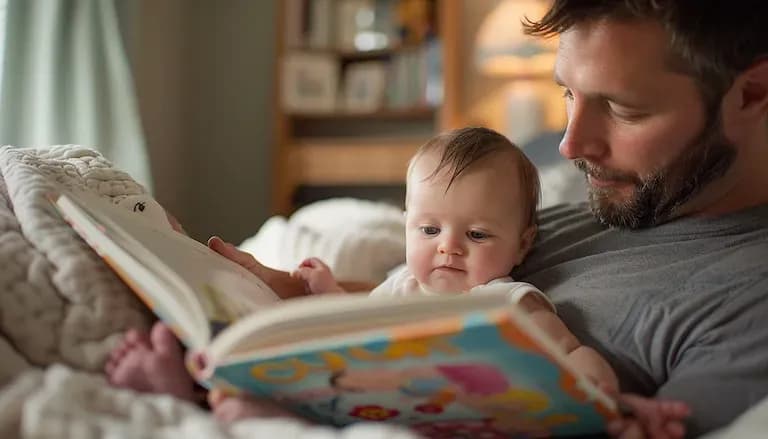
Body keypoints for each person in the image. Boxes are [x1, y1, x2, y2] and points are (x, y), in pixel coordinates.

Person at [211, 2, 768, 437]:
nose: (572, 144)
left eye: (623, 109)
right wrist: (290, 294)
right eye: (568, 94)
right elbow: (428, 299)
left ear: (753, 92)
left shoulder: (749, 300)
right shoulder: (605, 205)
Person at [107, 127, 688, 437]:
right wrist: (322, 295)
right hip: (361, 402)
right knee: (253, 389)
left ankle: (205, 406)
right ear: (407, 223)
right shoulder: (399, 286)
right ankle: (191, 388)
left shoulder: (506, 301)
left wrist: (607, 401)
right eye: (429, 228)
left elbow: (573, 355)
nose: (448, 247)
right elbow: (349, 327)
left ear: (523, 244)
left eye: (478, 235)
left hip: (440, 422)